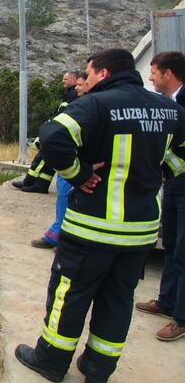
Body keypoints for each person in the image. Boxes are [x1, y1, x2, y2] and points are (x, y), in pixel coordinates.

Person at [14, 49, 185, 382]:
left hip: (92, 228)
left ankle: (50, 360)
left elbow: (50, 138)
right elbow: (179, 158)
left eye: (88, 74)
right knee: (118, 300)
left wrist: (78, 174)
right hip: (140, 233)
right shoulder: (171, 110)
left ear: (104, 73)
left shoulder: (96, 105)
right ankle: (98, 367)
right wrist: (159, 169)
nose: (85, 81)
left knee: (70, 295)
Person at [135, 51, 185, 341]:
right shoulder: (166, 104)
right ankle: (166, 301)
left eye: (153, 72)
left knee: (183, 252)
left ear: (168, 73)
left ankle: (181, 317)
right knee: (171, 246)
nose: (150, 77)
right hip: (173, 185)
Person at [32, 72, 89, 249]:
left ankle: (62, 236)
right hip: (75, 162)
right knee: (64, 197)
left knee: (70, 199)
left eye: (81, 84)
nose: (77, 88)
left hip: (82, 164)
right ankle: (58, 233)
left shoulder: (92, 106)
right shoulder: (80, 102)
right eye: (76, 84)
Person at [12, 71, 81, 193]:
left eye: (65, 79)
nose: (62, 81)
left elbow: (64, 113)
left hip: (61, 130)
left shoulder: (74, 94)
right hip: (60, 129)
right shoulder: (70, 94)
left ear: (74, 80)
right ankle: (40, 184)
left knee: (44, 155)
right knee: (51, 160)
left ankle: (30, 181)